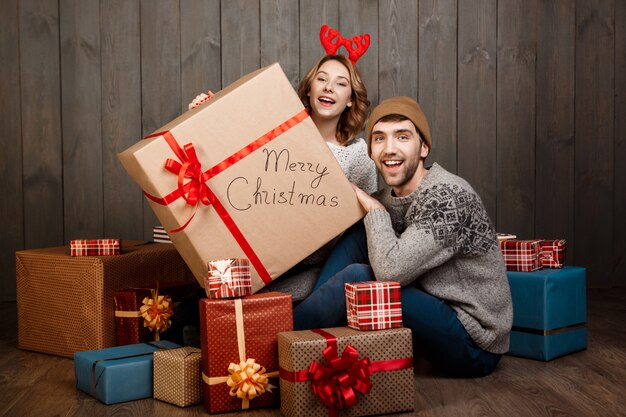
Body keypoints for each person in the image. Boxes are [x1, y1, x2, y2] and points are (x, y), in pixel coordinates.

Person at [293, 96, 513, 377]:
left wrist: (372, 207)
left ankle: (277, 343)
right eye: (379, 139)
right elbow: (332, 274)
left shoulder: (449, 197)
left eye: (402, 137)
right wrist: (268, 295)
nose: (389, 149)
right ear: (371, 151)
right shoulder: (388, 197)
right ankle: (299, 339)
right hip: (430, 307)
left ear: (424, 148)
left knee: (362, 277)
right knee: (360, 234)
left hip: (473, 341)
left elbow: (389, 272)